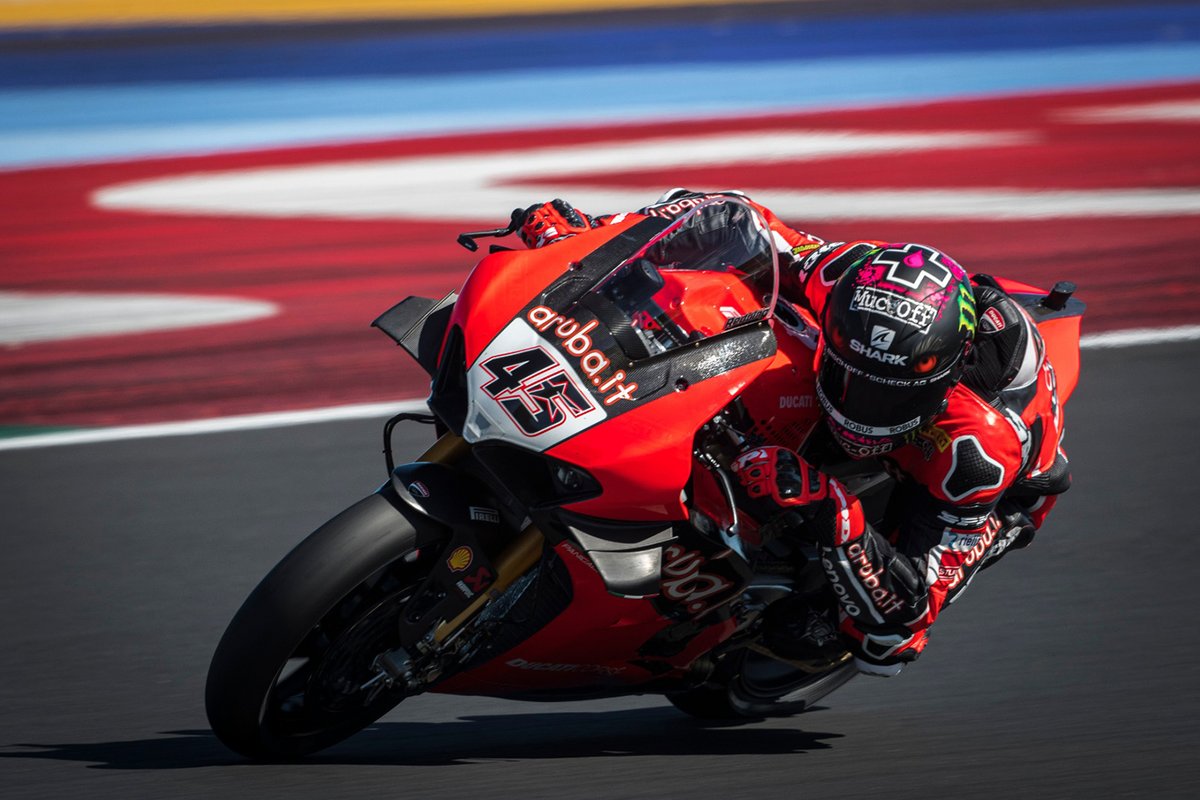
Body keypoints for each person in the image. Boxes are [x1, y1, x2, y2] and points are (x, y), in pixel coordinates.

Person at [518, 190, 1072, 677]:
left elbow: (905, 621)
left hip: (991, 486)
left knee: (875, 641)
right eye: (849, 375)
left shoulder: (977, 451)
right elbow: (733, 218)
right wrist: (594, 231)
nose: (862, 407)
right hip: (905, 337)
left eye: (887, 395)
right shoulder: (845, 277)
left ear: (941, 382)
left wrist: (836, 513)